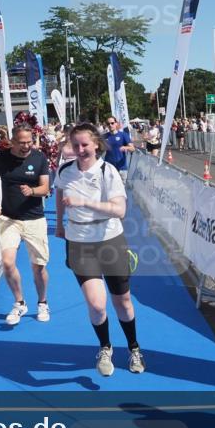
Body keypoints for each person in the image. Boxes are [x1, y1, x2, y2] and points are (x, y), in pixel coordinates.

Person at [55, 123, 144, 376]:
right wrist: (60, 223)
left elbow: (120, 210)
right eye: (76, 145)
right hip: (79, 242)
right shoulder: (64, 170)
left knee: (123, 302)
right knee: (96, 305)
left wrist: (84, 202)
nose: (81, 150)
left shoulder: (108, 172)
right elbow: (60, 192)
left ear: (96, 144)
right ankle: (105, 348)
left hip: (109, 240)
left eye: (85, 144)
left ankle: (134, 347)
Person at [0, 124, 51, 325]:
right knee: (7, 263)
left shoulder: (39, 158)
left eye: (29, 142)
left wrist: (32, 191)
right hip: (9, 218)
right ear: (13, 142)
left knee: (38, 267)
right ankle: (19, 302)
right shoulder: (2, 159)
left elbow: (45, 188)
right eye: (22, 142)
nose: (26, 146)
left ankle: (42, 302)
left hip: (34, 218)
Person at [103, 116, 134, 181]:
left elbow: (132, 148)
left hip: (121, 168)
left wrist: (125, 147)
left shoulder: (123, 135)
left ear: (116, 123)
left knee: (121, 190)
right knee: (109, 189)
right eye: (108, 124)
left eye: (112, 123)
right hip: (109, 168)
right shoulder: (104, 136)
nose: (110, 125)